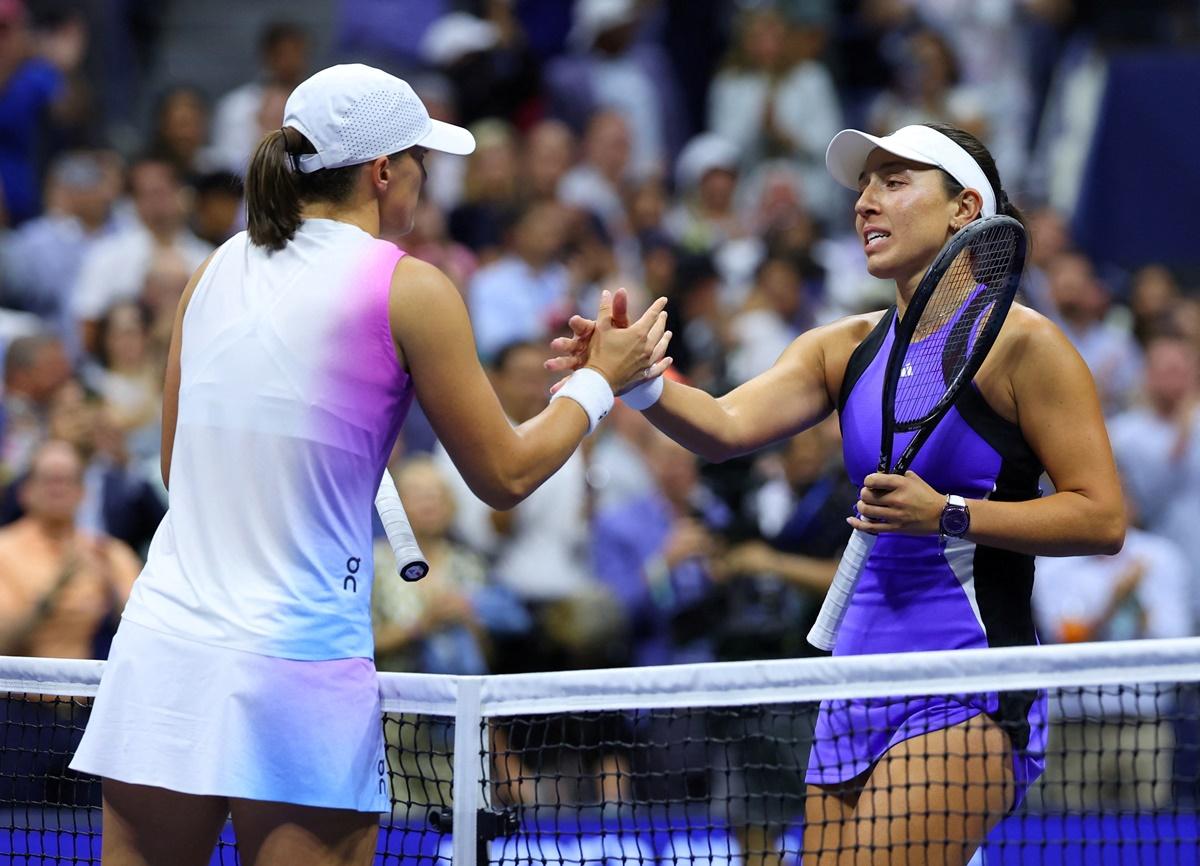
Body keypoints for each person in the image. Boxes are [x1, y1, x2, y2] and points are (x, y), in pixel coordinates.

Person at [66, 63, 669, 866]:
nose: (427, 183)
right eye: (422, 162)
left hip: (163, 649)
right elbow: (507, 474)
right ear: (385, 172)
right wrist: (602, 383)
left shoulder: (213, 268)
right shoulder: (411, 288)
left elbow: (180, 468)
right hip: (296, 667)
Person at [549, 122, 1124, 866]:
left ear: (964, 208)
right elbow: (723, 425)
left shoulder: (1026, 345)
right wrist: (636, 381)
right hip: (853, 680)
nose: (864, 202)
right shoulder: (843, 346)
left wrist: (947, 513)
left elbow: (1102, 515)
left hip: (969, 675)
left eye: (894, 181)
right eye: (862, 186)